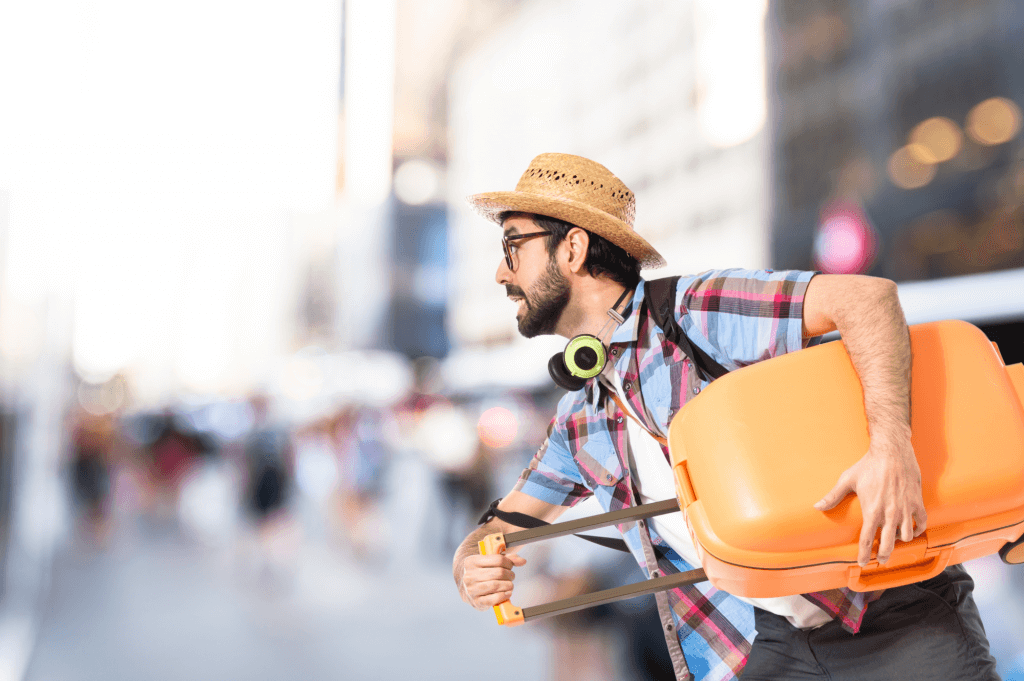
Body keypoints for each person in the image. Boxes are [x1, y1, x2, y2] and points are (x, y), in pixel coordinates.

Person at [452, 153, 999, 681]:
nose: (502, 270)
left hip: (891, 612)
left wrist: (891, 447)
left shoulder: (696, 311)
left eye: (512, 245)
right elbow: (499, 529)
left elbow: (867, 300)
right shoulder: (581, 418)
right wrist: (469, 562)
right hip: (759, 650)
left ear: (572, 248)